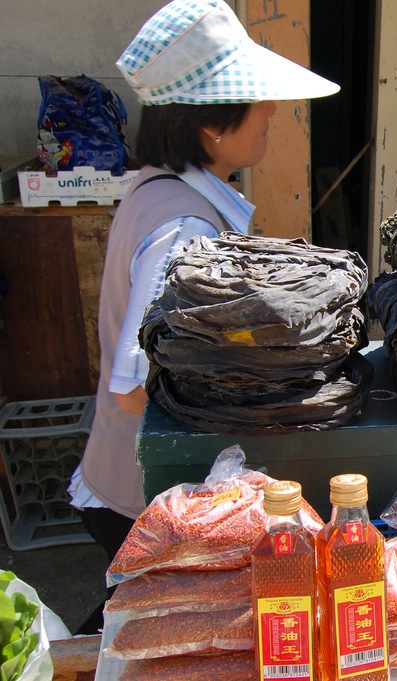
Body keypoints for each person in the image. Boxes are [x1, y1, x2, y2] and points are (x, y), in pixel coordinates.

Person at [67, 0, 339, 633]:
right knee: (150, 633)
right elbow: (135, 390)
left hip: (124, 480)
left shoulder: (159, 185)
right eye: (257, 101)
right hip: (142, 493)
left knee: (140, 625)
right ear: (212, 126)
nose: (272, 112)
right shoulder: (183, 225)